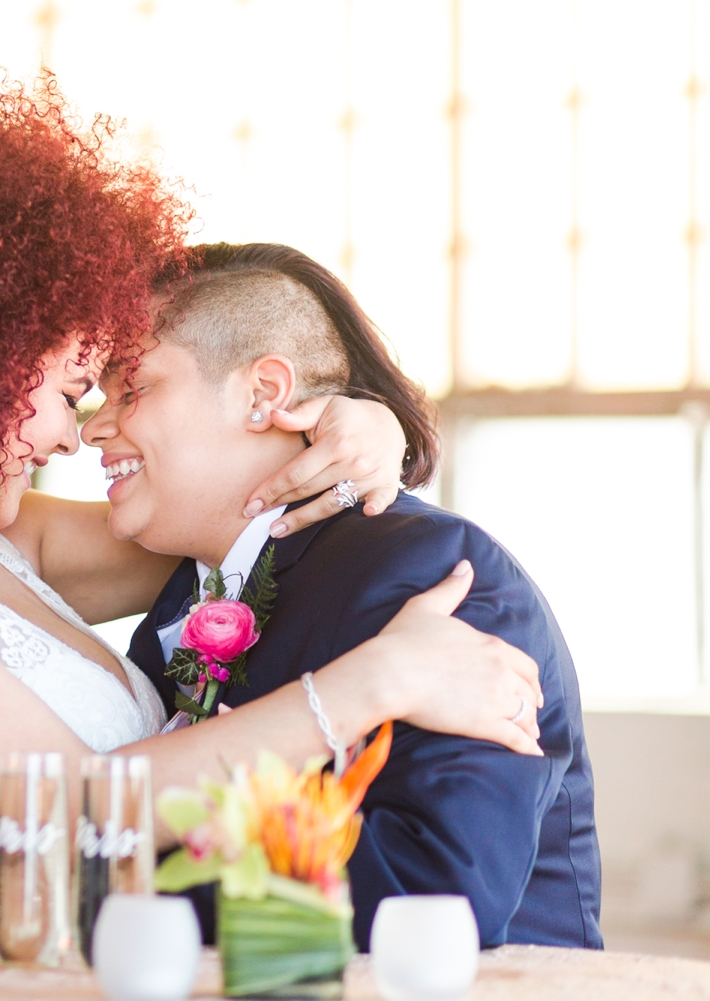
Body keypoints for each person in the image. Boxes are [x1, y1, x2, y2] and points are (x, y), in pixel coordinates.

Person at [0, 61, 543, 941]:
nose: (70, 436)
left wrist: (356, 424)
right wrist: (371, 683)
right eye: (72, 389)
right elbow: (76, 814)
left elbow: (235, 513)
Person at [80, 242, 601, 950]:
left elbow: (433, 893)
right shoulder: (180, 600)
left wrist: (107, 887)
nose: (93, 427)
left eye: (130, 389)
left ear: (264, 394)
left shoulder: (428, 572)